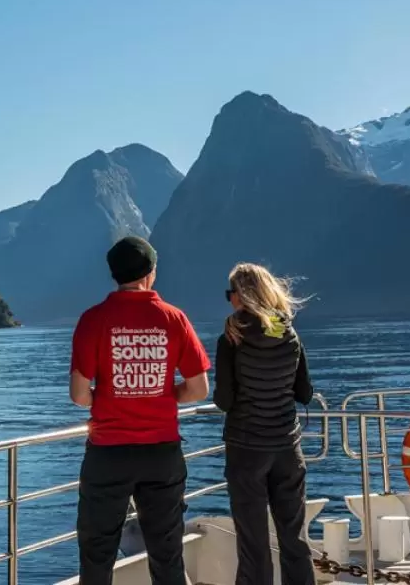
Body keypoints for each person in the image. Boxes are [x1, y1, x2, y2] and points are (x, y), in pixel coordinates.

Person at [69, 236, 211, 585]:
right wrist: (159, 394)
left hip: (107, 454)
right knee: (167, 555)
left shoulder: (93, 320)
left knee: (97, 554)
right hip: (161, 453)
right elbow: (199, 389)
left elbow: (78, 395)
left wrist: (109, 396)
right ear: (151, 273)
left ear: (115, 274)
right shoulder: (173, 318)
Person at [213, 262, 315, 585]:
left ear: (241, 296)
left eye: (231, 294)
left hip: (246, 449)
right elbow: (305, 393)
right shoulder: (289, 333)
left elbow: (224, 400)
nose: (230, 300)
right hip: (287, 448)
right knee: (294, 540)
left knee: (254, 545)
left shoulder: (231, 337)